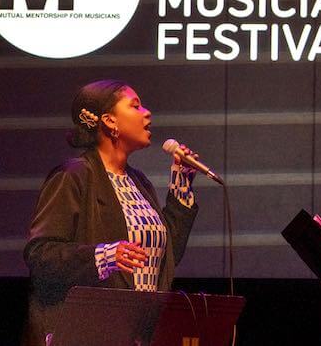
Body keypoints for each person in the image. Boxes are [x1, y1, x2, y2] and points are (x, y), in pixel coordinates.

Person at [23, 80, 199, 346]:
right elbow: (41, 255)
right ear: (109, 121)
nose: (147, 113)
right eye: (136, 106)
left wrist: (181, 184)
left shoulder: (139, 182)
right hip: (89, 332)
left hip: (137, 334)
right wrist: (104, 255)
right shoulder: (74, 176)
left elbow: (167, 257)